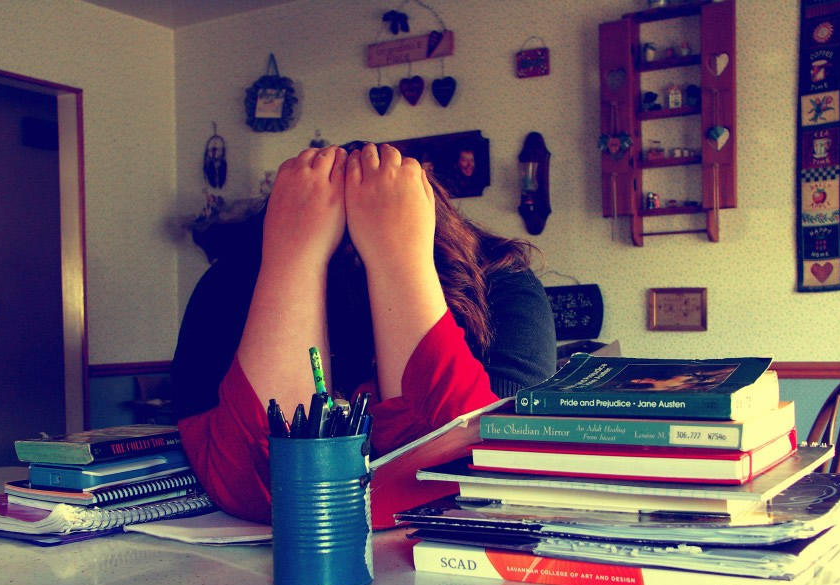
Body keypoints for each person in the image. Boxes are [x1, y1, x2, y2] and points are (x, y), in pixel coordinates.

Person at [171, 143, 556, 528]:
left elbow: (483, 475)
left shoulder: (502, 282)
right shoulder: (227, 284)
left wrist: (399, 257)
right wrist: (294, 256)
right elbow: (266, 489)